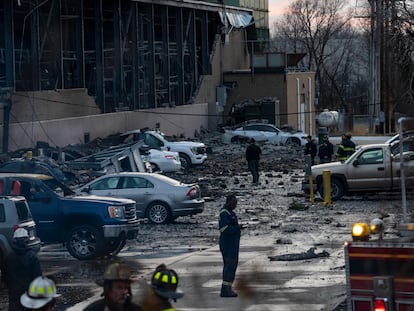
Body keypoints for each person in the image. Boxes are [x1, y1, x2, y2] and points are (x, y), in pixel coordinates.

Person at [3, 228, 42, 311]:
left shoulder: (9, 257)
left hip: (14, 292)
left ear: (14, 241)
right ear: (27, 240)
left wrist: (10, 287)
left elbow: (4, 275)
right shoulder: (32, 257)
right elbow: (37, 277)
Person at [218, 194, 245, 298]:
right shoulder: (224, 213)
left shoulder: (230, 213)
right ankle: (225, 290)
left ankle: (228, 288)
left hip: (232, 244)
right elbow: (223, 229)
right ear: (228, 202)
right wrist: (236, 228)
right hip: (228, 244)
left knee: (232, 266)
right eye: (234, 203)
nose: (235, 205)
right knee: (229, 266)